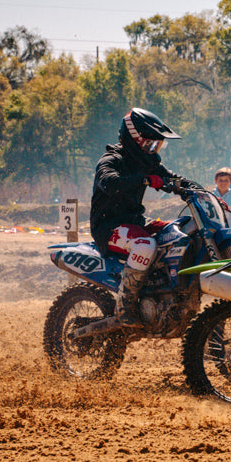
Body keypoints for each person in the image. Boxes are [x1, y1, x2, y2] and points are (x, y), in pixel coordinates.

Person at [90, 108, 182, 326]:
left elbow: (170, 177)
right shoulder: (111, 160)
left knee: (178, 232)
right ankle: (126, 305)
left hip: (134, 223)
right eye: (150, 144)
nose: (153, 149)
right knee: (144, 246)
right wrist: (145, 180)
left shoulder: (148, 162)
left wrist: (192, 188)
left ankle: (161, 289)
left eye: (157, 145)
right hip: (109, 226)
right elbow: (110, 182)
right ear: (134, 139)